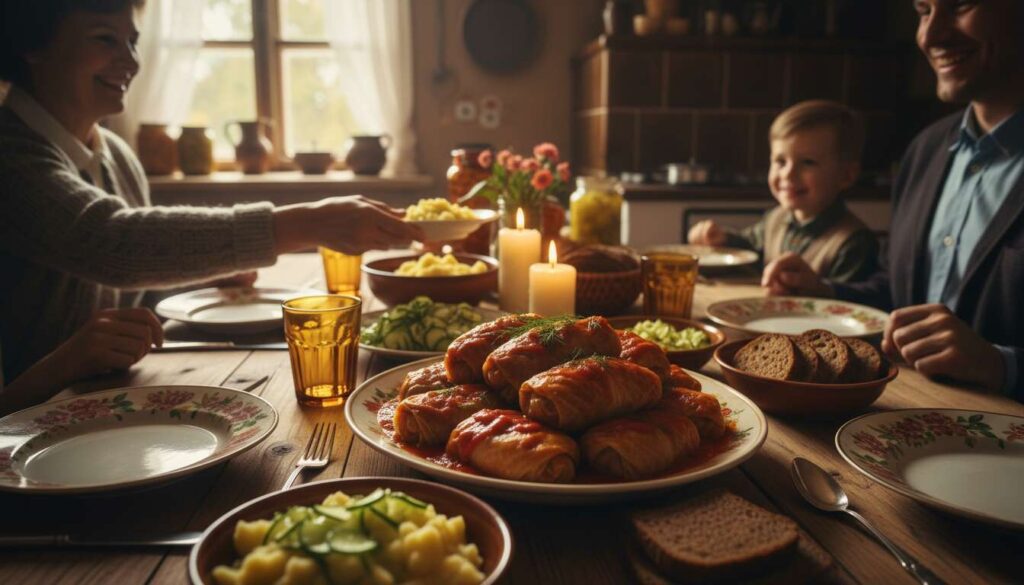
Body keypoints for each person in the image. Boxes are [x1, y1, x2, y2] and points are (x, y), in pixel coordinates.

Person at [0, 0, 423, 408]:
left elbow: (134, 288)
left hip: (102, 406)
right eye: (105, 40)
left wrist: (206, 280)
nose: (130, 62)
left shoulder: (114, 153)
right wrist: (309, 223)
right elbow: (111, 242)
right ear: (32, 44)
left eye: (131, 42)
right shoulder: (11, 158)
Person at [762, 0, 1024, 396]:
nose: (930, 35)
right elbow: (897, 290)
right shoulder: (926, 150)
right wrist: (826, 291)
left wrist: (1001, 365)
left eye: (960, 5)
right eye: (923, 11)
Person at [688, 100, 878, 283]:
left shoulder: (853, 243)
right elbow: (748, 247)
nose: (788, 173)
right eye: (780, 161)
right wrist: (721, 239)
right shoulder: (775, 219)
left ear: (846, 175)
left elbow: (850, 302)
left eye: (808, 162)